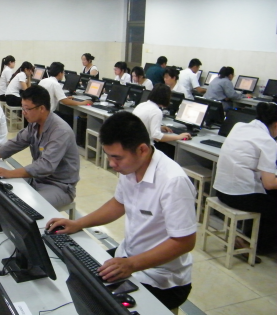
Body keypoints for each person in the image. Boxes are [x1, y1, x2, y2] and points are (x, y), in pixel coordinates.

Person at [46, 111, 197, 311]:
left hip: (162, 278)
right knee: (76, 275)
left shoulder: (173, 181)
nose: (112, 164)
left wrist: (131, 265)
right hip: (128, 257)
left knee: (99, 303)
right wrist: (78, 223)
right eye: (109, 156)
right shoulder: (131, 167)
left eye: (117, 157)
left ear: (142, 150)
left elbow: (184, 242)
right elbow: (119, 203)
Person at [0, 85, 80, 210]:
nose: (24, 112)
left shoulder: (60, 131)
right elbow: (15, 143)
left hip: (59, 186)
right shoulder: (34, 124)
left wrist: (10, 173)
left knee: (25, 208)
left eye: (27, 109)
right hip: (36, 179)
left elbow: (45, 166)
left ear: (42, 108)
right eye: (23, 108)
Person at [213, 102, 277, 255]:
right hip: (239, 196)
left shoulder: (239, 126)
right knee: (273, 204)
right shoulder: (267, 141)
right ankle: (256, 246)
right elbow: (269, 183)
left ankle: (247, 238)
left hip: (221, 190)